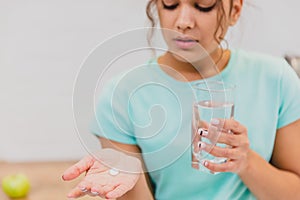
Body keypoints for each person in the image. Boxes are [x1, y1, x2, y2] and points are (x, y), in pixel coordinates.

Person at [62, 0, 300, 199]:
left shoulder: (275, 78)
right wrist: (127, 179)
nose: (183, 22)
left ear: (235, 10)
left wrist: (246, 162)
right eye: (170, 4)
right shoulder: (121, 95)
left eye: (203, 5)